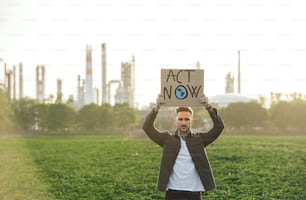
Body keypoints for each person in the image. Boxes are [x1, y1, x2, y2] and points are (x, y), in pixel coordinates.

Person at [143, 94, 224, 200]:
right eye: (180, 119)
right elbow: (147, 127)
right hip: (172, 191)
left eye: (186, 119)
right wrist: (157, 107)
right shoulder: (167, 139)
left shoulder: (199, 139)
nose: (183, 122)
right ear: (175, 121)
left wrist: (208, 107)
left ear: (192, 121)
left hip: (194, 192)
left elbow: (219, 127)